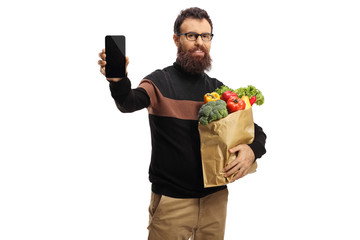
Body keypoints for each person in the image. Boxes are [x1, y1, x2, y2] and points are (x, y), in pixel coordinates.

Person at [98, 7, 266, 240]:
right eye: (191, 36)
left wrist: (252, 150)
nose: (199, 42)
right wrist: (118, 81)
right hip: (172, 203)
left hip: (215, 202)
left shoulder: (218, 89)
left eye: (205, 36)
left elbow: (253, 129)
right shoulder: (159, 82)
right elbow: (128, 102)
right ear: (177, 39)